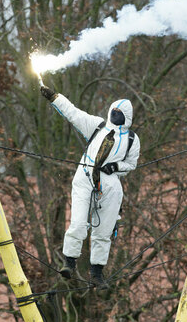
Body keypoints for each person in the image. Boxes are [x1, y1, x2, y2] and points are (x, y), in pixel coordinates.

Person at [40, 84, 141, 290]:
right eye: (114, 111)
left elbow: (131, 164)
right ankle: (69, 262)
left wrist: (117, 166)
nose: (116, 115)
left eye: (120, 113)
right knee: (77, 223)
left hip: (111, 186)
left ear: (127, 117)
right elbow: (73, 113)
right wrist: (54, 97)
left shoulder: (132, 139)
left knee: (103, 231)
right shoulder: (97, 126)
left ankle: (96, 272)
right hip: (85, 177)